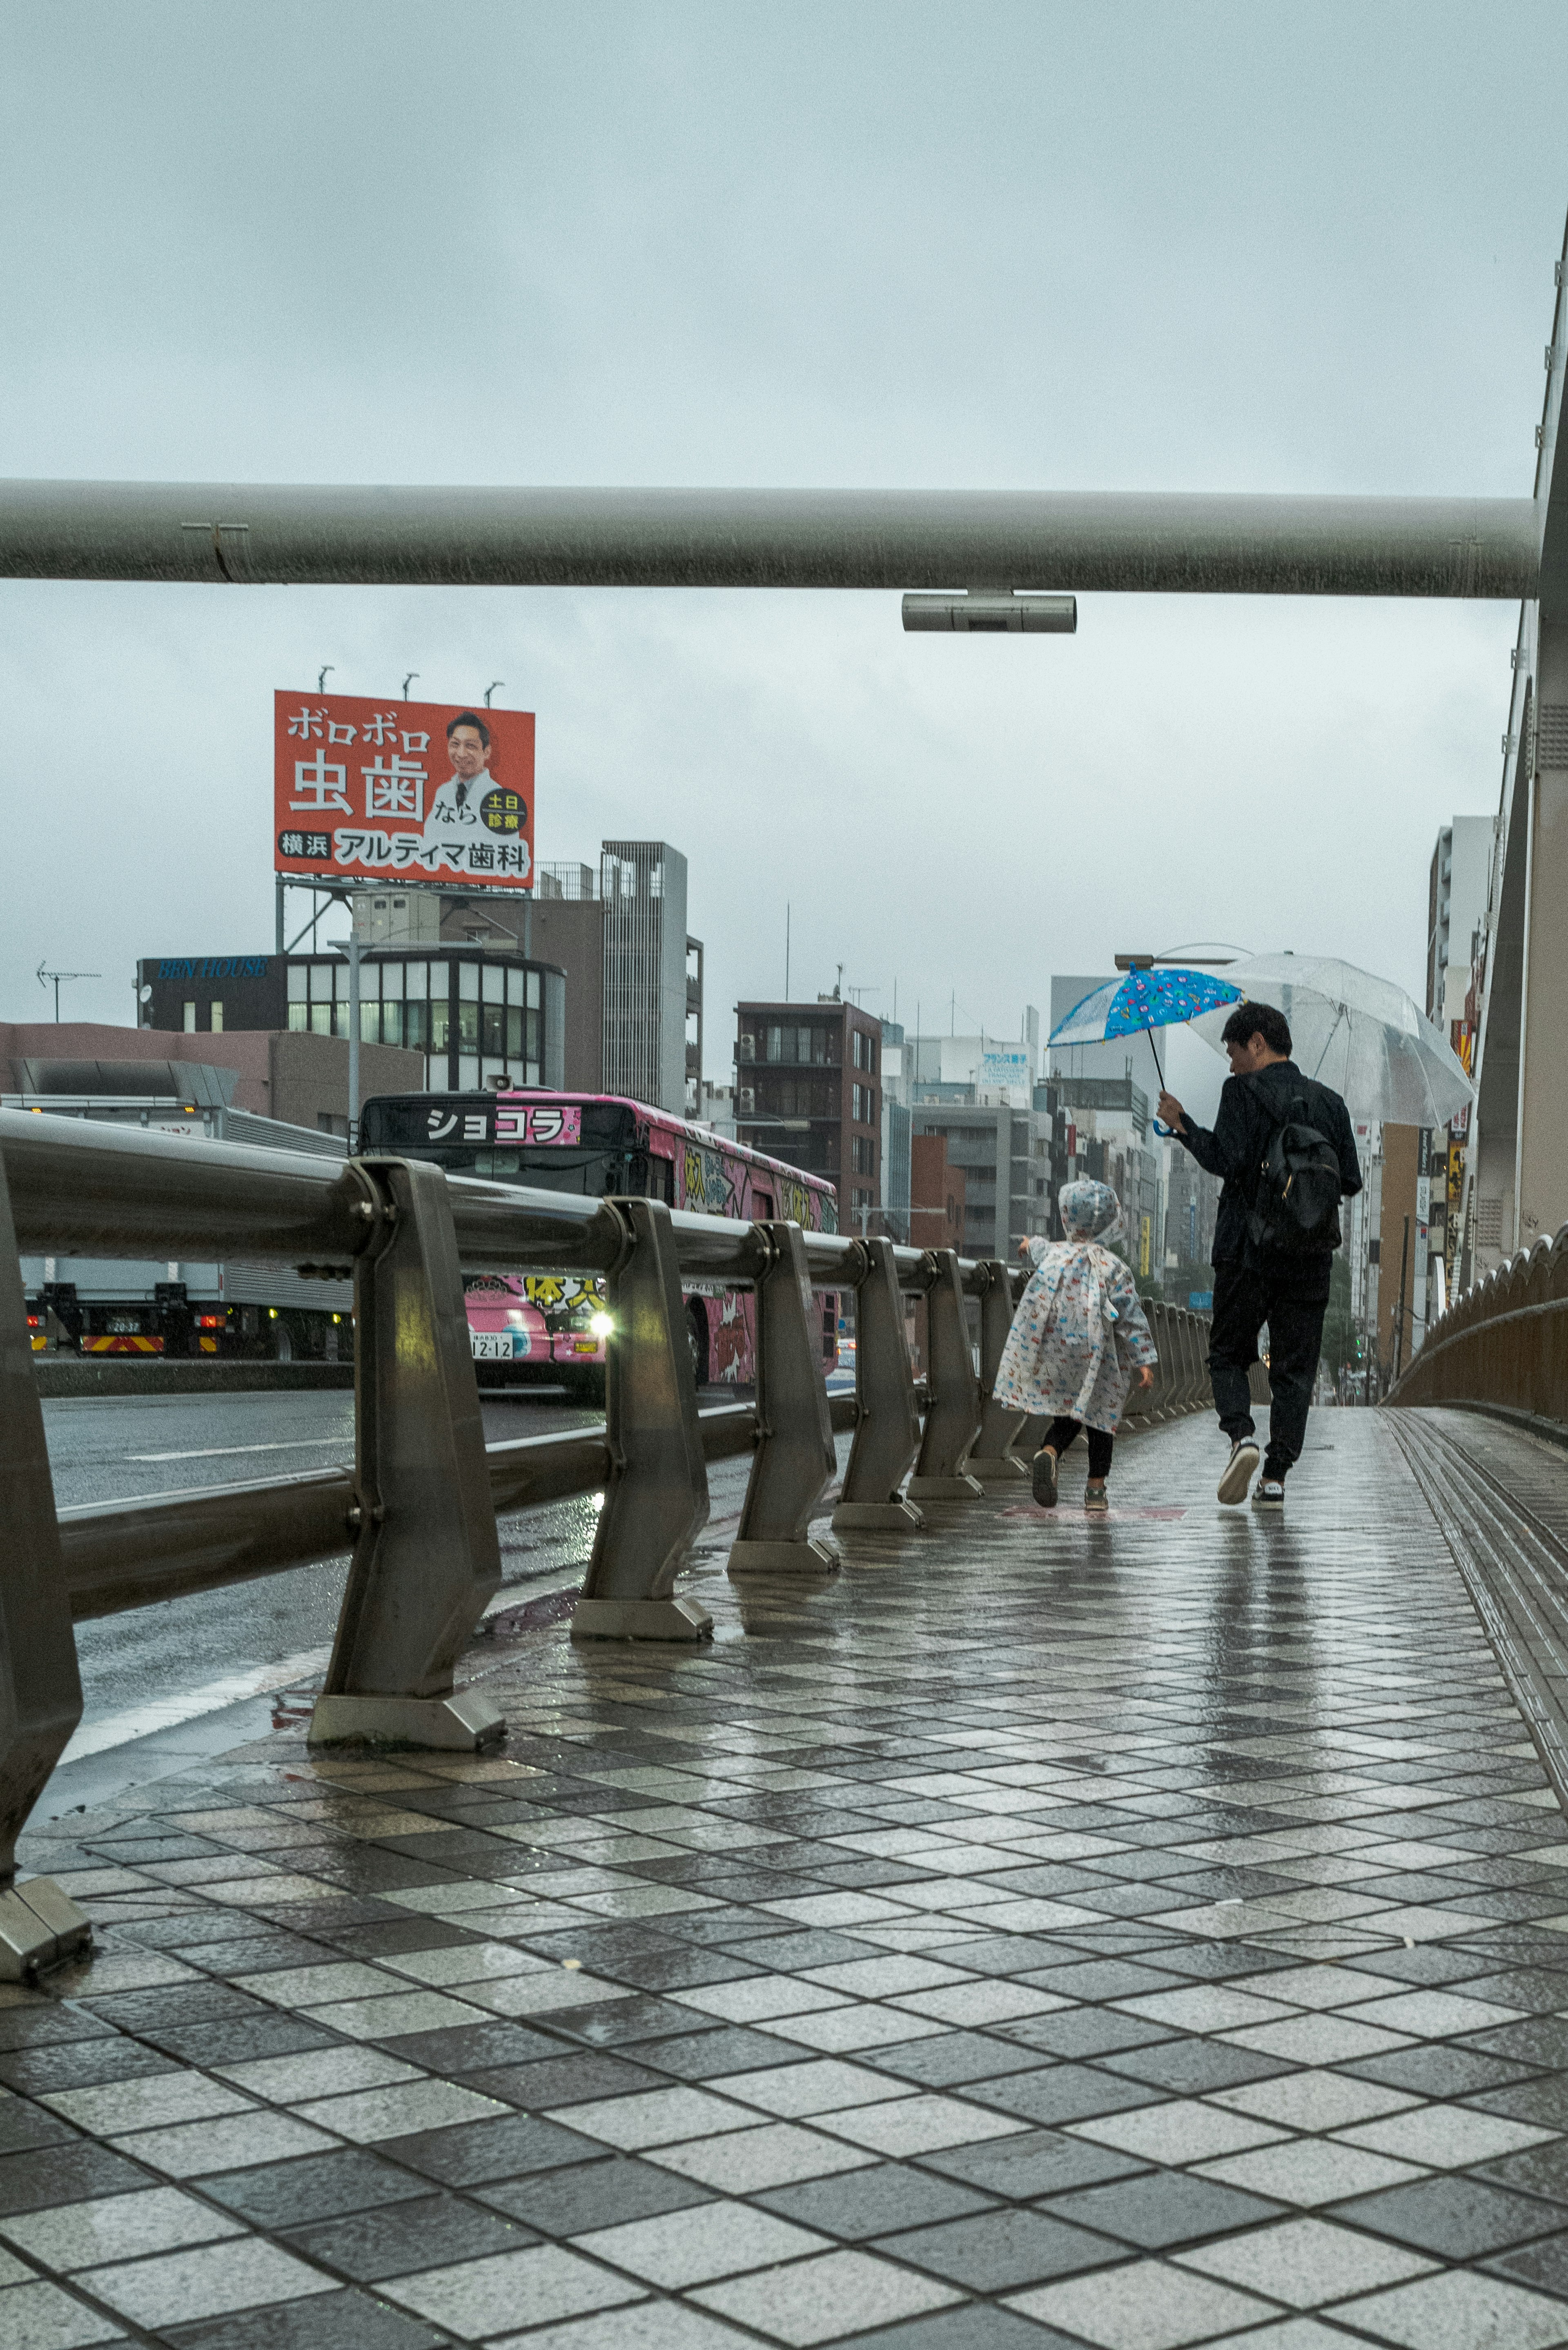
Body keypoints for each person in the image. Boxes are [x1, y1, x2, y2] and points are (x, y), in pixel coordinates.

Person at [1158, 1001, 1361, 1512]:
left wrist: (1181, 1122)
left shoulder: (1241, 1092)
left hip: (1247, 1250)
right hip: (1311, 1257)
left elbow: (1225, 1159)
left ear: (1256, 1042)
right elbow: (1352, 1182)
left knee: (1228, 1352)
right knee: (1295, 1369)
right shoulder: (1331, 1103)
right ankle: (1276, 1475)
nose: (1230, 1064)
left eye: (1232, 1051)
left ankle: (1242, 1437)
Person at [993, 1178, 1158, 1514]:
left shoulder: (1055, 1255)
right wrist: (1143, 1360)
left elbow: (1037, 1247)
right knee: (1101, 1418)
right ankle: (1096, 1490)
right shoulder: (1113, 1266)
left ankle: (1051, 1451)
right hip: (1099, 1356)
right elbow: (1129, 1313)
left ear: (1068, 1217)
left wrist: (1027, 1244)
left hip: (1056, 1351)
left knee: (1067, 1413)